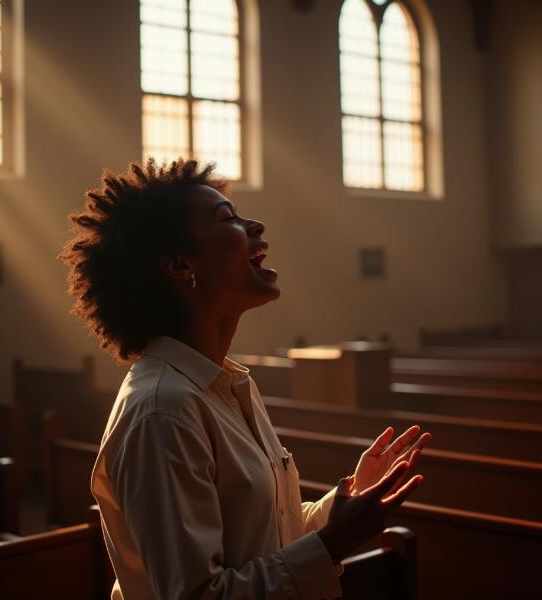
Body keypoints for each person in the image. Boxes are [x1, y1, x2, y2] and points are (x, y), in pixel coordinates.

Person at [60, 158, 430, 600]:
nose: (254, 225)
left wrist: (341, 507)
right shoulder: (165, 411)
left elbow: (263, 541)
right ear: (180, 266)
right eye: (227, 219)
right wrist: (336, 542)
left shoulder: (225, 386)